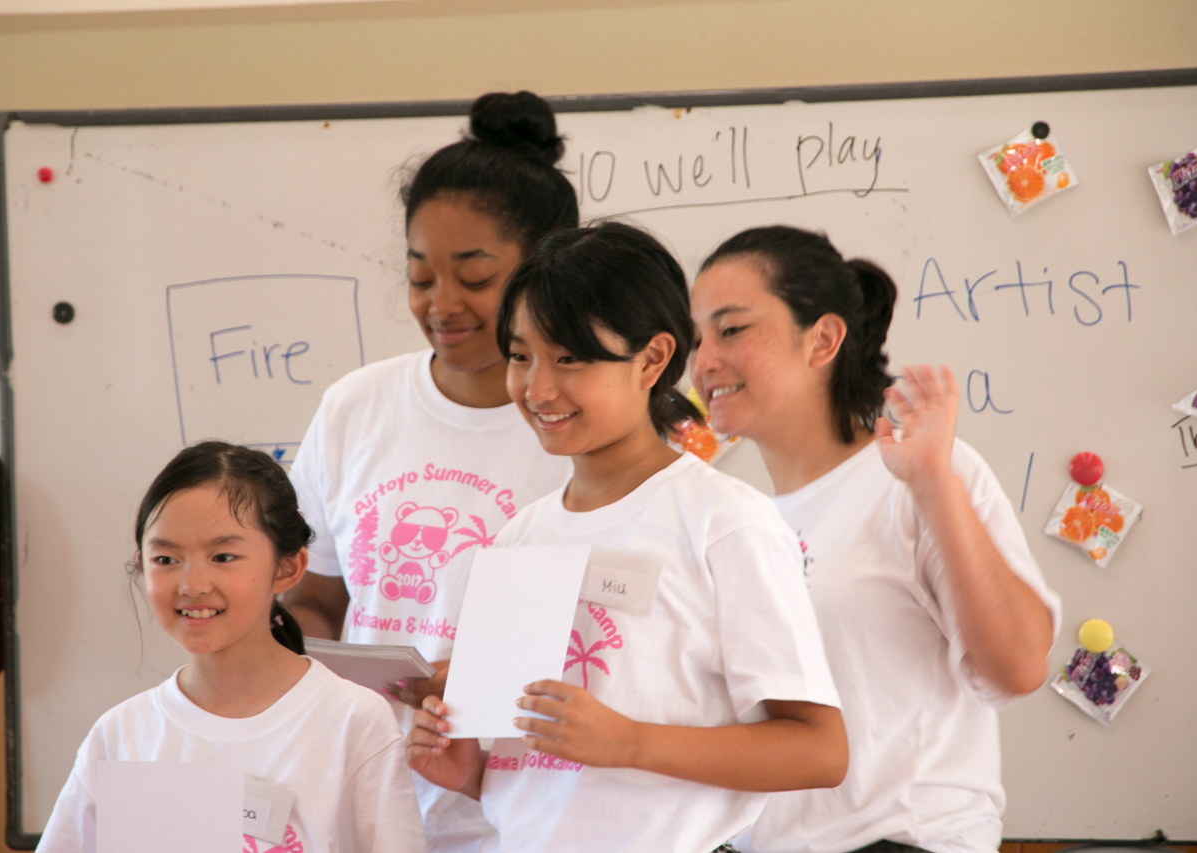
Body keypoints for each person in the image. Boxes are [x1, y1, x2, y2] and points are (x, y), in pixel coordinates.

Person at [405, 221, 848, 853]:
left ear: (652, 358)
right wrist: (468, 772)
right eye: (521, 355)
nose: (537, 388)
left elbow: (819, 750)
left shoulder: (724, 521)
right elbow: (536, 771)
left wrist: (630, 742)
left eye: (569, 358)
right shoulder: (520, 538)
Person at [688, 225, 1061, 853]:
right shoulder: (737, 517)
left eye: (731, 330)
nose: (704, 362)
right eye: (697, 337)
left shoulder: (916, 470)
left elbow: (1019, 666)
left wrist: (934, 483)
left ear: (824, 340)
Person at [281, 91, 578, 851]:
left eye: (474, 277)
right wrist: (300, 649)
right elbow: (319, 594)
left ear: (542, 269)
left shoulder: (582, 428)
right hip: (365, 798)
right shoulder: (356, 407)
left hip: (521, 810)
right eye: (420, 276)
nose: (441, 304)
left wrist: (473, 679)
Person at [36, 441, 425, 853]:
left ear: (287, 567)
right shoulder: (121, 735)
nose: (192, 585)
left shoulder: (355, 722)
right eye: (166, 559)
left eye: (223, 556)